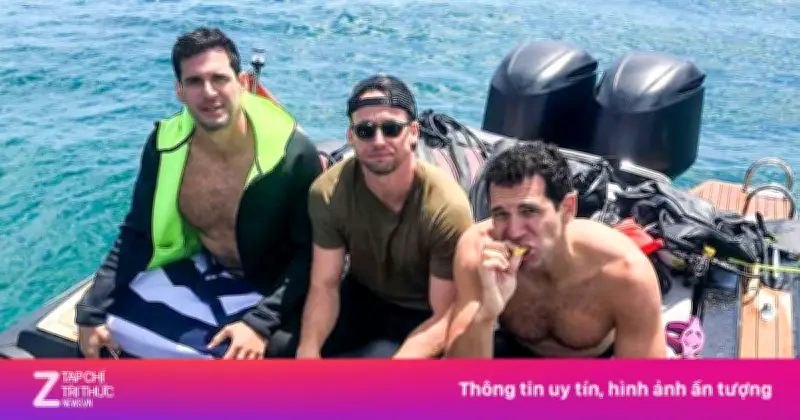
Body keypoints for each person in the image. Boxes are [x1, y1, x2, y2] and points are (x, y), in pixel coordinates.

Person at [74, 27, 323, 359]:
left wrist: (260, 323)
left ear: (243, 82)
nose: (209, 93)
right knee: (105, 328)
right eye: (194, 82)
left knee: (252, 357)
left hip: (277, 285)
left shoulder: (290, 154)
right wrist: (90, 310)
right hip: (210, 267)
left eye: (219, 78)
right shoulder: (166, 145)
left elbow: (313, 253)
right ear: (179, 91)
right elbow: (137, 233)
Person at [295, 74, 474, 358]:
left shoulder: (446, 207)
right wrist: (309, 350)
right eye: (365, 131)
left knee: (374, 362)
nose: (379, 141)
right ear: (351, 137)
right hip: (364, 299)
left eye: (391, 129)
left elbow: (445, 315)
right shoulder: (328, 192)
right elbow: (324, 285)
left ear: (413, 132)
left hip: (421, 313)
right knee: (283, 349)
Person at [444, 141, 666, 358]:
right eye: (501, 214)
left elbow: (644, 380)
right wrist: (484, 314)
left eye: (529, 211)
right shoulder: (479, 252)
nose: (514, 231)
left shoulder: (624, 272)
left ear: (567, 209)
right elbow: (458, 375)